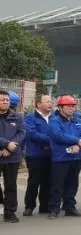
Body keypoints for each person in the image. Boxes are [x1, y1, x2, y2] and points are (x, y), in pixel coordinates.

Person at [47, 94, 81, 218]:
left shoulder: (78, 121)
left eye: (73, 106)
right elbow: (58, 135)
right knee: (58, 184)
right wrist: (77, 141)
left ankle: (70, 207)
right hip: (61, 157)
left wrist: (79, 145)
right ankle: (54, 208)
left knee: (72, 183)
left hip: (76, 156)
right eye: (68, 106)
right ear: (60, 107)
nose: (72, 108)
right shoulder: (55, 121)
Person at [23, 94, 52, 217]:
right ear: (38, 104)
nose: (50, 103)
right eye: (47, 101)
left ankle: (44, 206)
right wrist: (51, 140)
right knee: (34, 181)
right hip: (35, 155)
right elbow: (32, 134)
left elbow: (59, 131)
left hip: (51, 154)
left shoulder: (54, 117)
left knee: (48, 181)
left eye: (51, 101)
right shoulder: (29, 118)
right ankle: (29, 206)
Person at [0, 91, 25, 222]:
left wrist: (11, 147)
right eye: (2, 100)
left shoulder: (17, 116)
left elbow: (22, 133)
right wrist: (5, 144)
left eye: (7, 100)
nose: (5, 102)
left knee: (11, 185)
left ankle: (10, 212)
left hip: (12, 156)